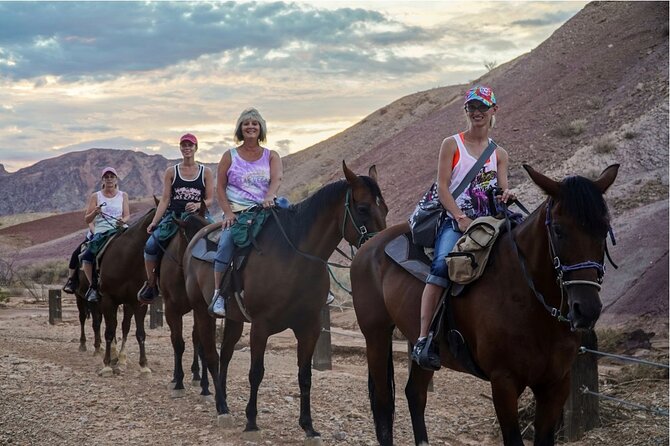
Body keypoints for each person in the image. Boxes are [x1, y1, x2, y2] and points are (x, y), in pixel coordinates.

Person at [411, 85, 515, 370]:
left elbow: (501, 188)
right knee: (442, 266)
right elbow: (443, 187)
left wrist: (507, 195)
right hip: (456, 219)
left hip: (489, 222)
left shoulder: (499, 153)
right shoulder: (452, 144)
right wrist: (459, 217)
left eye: (483, 107)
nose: (477, 112)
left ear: (494, 110)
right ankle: (424, 340)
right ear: (466, 111)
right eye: (472, 107)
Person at [210, 108, 283, 317]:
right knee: (225, 244)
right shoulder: (229, 155)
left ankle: (315, 284)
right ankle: (219, 296)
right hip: (238, 212)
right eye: (246, 124)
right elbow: (220, 187)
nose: (250, 127)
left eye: (255, 123)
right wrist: (228, 213)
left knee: (298, 231)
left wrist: (270, 196)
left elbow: (277, 178)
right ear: (240, 129)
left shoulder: (271, 155)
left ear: (261, 128)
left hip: (266, 209)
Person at [138, 133, 214, 304]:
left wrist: (197, 204)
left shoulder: (205, 172)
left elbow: (210, 199)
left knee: (218, 241)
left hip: (198, 216)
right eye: (184, 145)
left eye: (190, 145)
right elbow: (165, 199)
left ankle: (219, 286)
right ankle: (151, 284)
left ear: (196, 148)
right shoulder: (172, 171)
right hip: (174, 216)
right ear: (180, 148)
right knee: (150, 246)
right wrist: (154, 221)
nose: (187, 148)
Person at [80, 167, 131, 302]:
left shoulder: (123, 195)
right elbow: (87, 219)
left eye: (112, 176)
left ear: (116, 179)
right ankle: (93, 286)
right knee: (87, 256)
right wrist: (95, 212)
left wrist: (122, 221)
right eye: (106, 177)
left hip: (120, 228)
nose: (109, 179)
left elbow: (127, 216)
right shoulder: (96, 196)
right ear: (102, 180)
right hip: (102, 230)